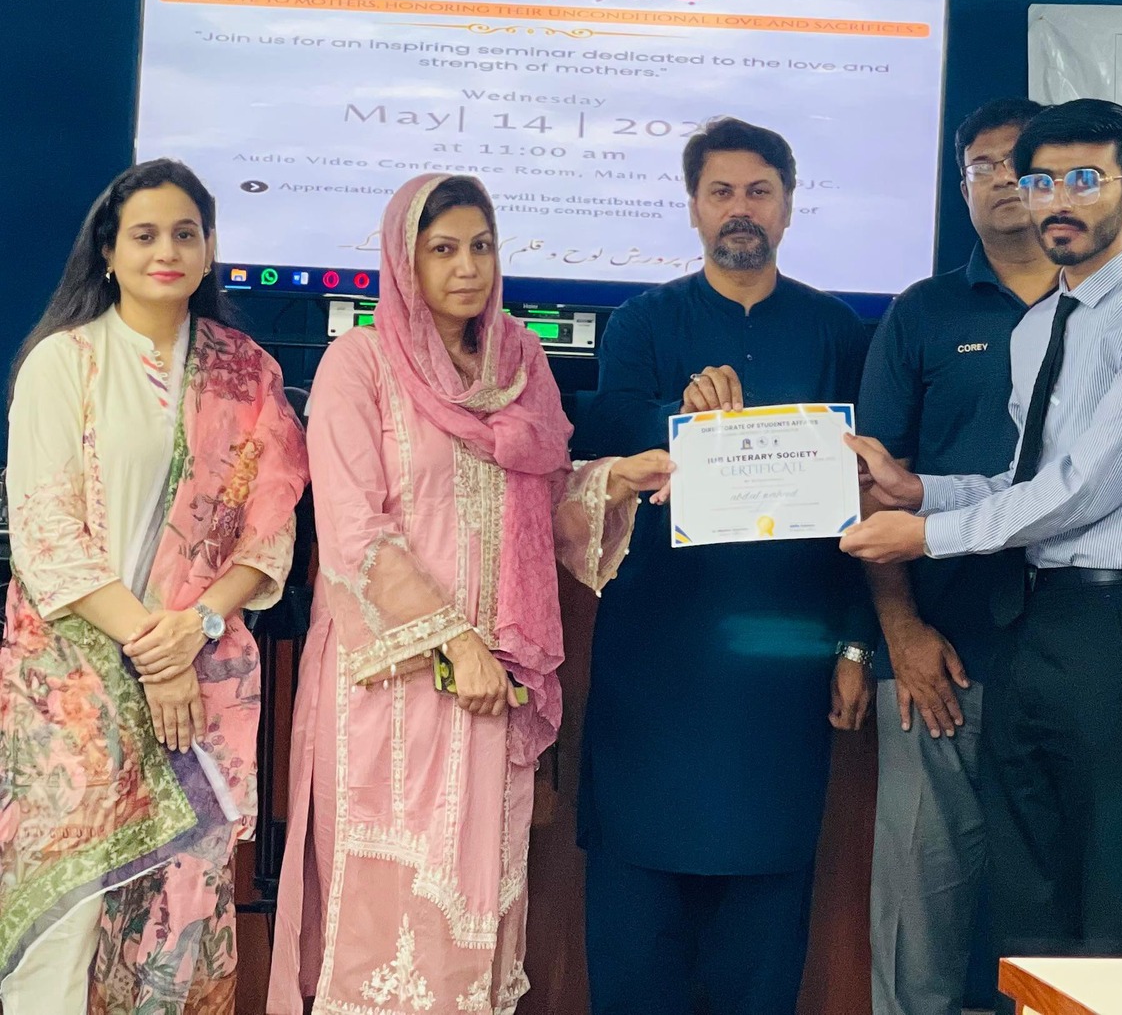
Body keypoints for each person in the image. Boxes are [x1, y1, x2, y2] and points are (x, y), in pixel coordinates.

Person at [266, 174, 671, 1013]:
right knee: (389, 914)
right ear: (404, 259)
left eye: (481, 247)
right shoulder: (360, 364)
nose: (467, 267)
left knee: (474, 906)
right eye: (443, 248)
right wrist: (454, 641)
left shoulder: (519, 368)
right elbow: (353, 528)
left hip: (492, 684)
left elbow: (542, 507)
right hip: (393, 682)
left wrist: (615, 479)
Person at [845, 98, 1122, 974]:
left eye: (1084, 180)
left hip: (1108, 624)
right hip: (1029, 620)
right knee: (1031, 894)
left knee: (1110, 894)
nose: (1058, 200)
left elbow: (1083, 489)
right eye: (1042, 181)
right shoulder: (1037, 328)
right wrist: (918, 491)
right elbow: (1025, 485)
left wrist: (928, 536)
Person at [575, 117, 873, 1015]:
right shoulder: (642, 323)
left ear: (788, 206)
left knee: (763, 930)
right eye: (721, 192)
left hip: (784, 664)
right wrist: (687, 418)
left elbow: (867, 502)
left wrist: (856, 645)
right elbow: (607, 437)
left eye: (758, 191)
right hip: (656, 659)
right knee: (636, 929)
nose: (740, 209)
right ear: (693, 207)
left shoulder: (838, 332)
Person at [0, 159, 307, 1012]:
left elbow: (270, 532)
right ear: (107, 251)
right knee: (64, 918)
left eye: (185, 234)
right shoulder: (64, 363)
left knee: (176, 920)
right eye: (144, 235)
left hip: (196, 684)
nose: (166, 251)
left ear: (209, 250)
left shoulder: (247, 374)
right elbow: (47, 534)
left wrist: (195, 629)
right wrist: (154, 652)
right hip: (73, 686)